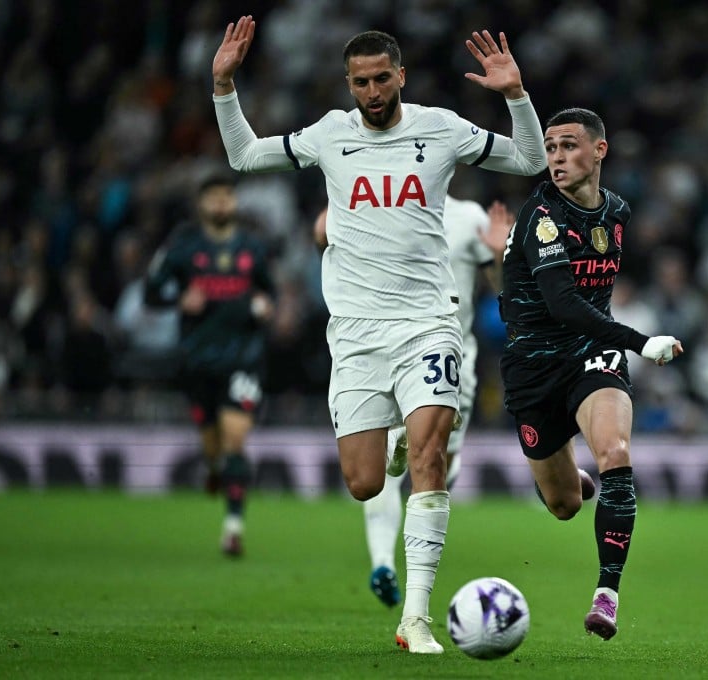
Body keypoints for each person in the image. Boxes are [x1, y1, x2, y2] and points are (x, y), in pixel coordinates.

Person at [211, 17, 546, 653]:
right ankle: (391, 436)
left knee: (430, 458)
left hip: (428, 323)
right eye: (359, 82)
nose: (371, 91)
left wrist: (515, 96)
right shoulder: (329, 135)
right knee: (364, 482)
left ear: (401, 76)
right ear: (349, 83)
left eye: (381, 79)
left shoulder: (441, 128)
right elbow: (243, 157)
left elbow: (529, 158)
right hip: (357, 332)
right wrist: (225, 87)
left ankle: (415, 617)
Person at [498, 108, 683, 641]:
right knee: (563, 506)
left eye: (568, 147)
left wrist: (618, 347)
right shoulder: (541, 217)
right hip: (532, 369)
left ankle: (607, 594)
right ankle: (568, 482)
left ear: (599, 151)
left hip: (591, 358)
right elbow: (562, 303)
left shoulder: (616, 212)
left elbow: (587, 312)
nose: (556, 158)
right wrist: (641, 341)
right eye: (550, 149)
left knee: (615, 455)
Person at [317, 196, 516, 609]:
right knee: (388, 471)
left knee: (441, 465)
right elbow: (322, 233)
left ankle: (401, 562)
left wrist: (499, 253)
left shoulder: (468, 217)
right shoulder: (374, 197)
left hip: (450, 356)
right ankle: (384, 564)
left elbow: (506, 293)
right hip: (383, 351)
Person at [144, 175, 276, 558]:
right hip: (198, 361)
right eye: (214, 197)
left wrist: (266, 305)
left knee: (235, 440)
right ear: (201, 204)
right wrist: (178, 299)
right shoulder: (183, 249)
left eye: (227, 196)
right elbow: (152, 292)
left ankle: (233, 527)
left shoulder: (253, 248)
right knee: (214, 451)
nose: (221, 203)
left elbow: (270, 291)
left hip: (243, 358)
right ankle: (216, 469)